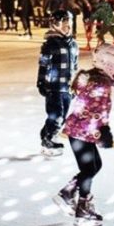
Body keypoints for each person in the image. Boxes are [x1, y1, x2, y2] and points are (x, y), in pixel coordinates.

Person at [54, 43, 114, 226]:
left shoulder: (94, 78)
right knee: (89, 169)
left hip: (79, 131)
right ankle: (82, 207)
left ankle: (68, 193)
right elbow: (98, 110)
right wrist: (103, 130)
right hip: (82, 132)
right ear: (107, 63)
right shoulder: (101, 83)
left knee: (95, 165)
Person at [37, 9, 79, 156]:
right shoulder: (50, 44)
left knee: (63, 115)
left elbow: (75, 65)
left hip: (67, 87)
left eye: (70, 22)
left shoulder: (73, 44)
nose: (68, 25)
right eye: (64, 22)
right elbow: (43, 64)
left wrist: (76, 83)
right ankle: (49, 140)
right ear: (55, 24)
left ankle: (46, 135)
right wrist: (41, 82)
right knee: (56, 115)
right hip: (53, 86)